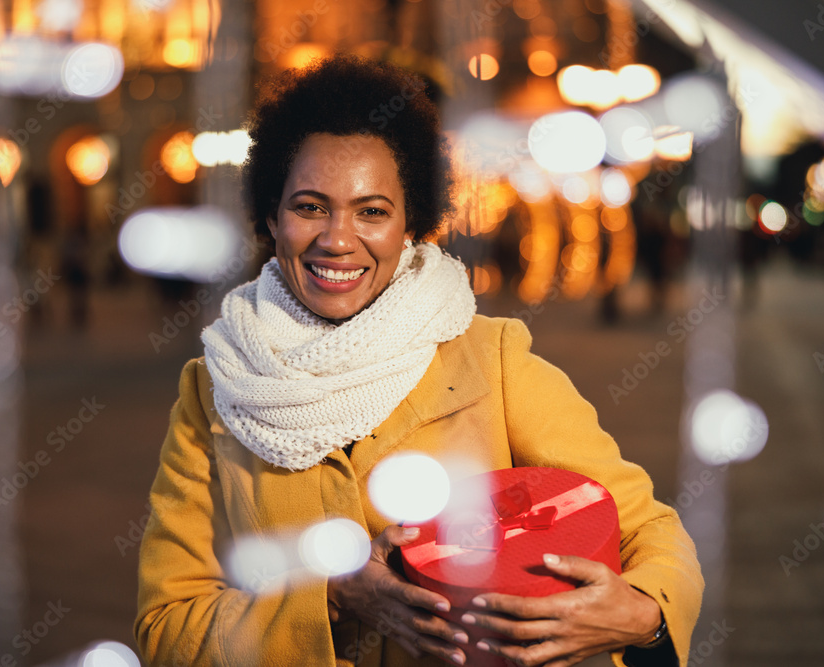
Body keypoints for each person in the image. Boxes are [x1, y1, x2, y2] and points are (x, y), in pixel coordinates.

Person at [135, 55, 703, 667]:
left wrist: (643, 616)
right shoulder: (213, 391)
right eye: (309, 206)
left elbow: (649, 531)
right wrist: (332, 595)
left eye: (372, 211)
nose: (337, 238)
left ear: (411, 225)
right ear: (272, 216)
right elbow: (167, 628)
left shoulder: (492, 358)